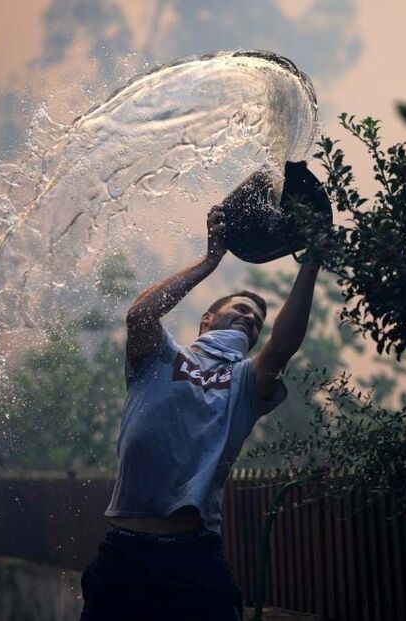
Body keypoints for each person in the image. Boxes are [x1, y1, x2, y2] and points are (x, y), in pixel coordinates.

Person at [80, 202, 323, 620]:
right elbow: (140, 315)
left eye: (258, 320)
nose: (251, 318)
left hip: (193, 559)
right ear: (207, 320)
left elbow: (282, 346)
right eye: (242, 309)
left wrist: (313, 261)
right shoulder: (160, 355)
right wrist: (211, 261)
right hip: (125, 553)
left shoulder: (245, 383)